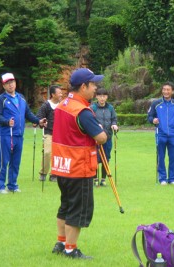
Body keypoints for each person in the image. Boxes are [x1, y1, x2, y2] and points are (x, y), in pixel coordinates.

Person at [51, 68, 107, 259]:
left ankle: (61, 242)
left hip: (62, 165)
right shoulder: (81, 111)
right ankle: (71, 249)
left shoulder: (61, 105)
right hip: (78, 167)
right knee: (78, 209)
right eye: (93, 85)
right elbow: (100, 138)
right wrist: (102, 131)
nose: (96, 89)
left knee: (65, 206)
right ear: (83, 86)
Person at [0, 73, 47, 194]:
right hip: (6, 135)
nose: (10, 85)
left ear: (15, 83)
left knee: (16, 162)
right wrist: (7, 122)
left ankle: (12, 185)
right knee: (3, 161)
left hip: (19, 135)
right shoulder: (1, 99)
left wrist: (38, 121)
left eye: (12, 82)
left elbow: (27, 113)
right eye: (7, 83)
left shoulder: (21, 97)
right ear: (4, 85)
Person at [147, 82, 174, 185]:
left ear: (172, 91)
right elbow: (149, 117)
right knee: (160, 157)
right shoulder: (156, 104)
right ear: (162, 91)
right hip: (160, 134)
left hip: (173, 134)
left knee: (173, 157)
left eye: (168, 90)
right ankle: (162, 178)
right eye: (164, 89)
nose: (166, 91)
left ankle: (172, 179)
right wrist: (153, 120)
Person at [90, 88, 118, 187]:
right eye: (100, 96)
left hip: (108, 137)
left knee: (106, 158)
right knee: (96, 158)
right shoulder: (93, 108)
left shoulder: (110, 108)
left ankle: (103, 179)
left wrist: (114, 125)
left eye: (104, 96)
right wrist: (97, 125)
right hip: (96, 138)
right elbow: (90, 120)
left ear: (107, 97)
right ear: (96, 96)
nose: (102, 98)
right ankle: (95, 179)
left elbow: (114, 119)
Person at [37, 85, 63, 182]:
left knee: (58, 154)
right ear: (53, 94)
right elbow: (39, 117)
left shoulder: (62, 104)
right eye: (59, 93)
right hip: (48, 133)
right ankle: (43, 172)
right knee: (47, 152)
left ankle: (54, 174)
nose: (61, 94)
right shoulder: (46, 105)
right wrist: (42, 121)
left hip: (60, 134)